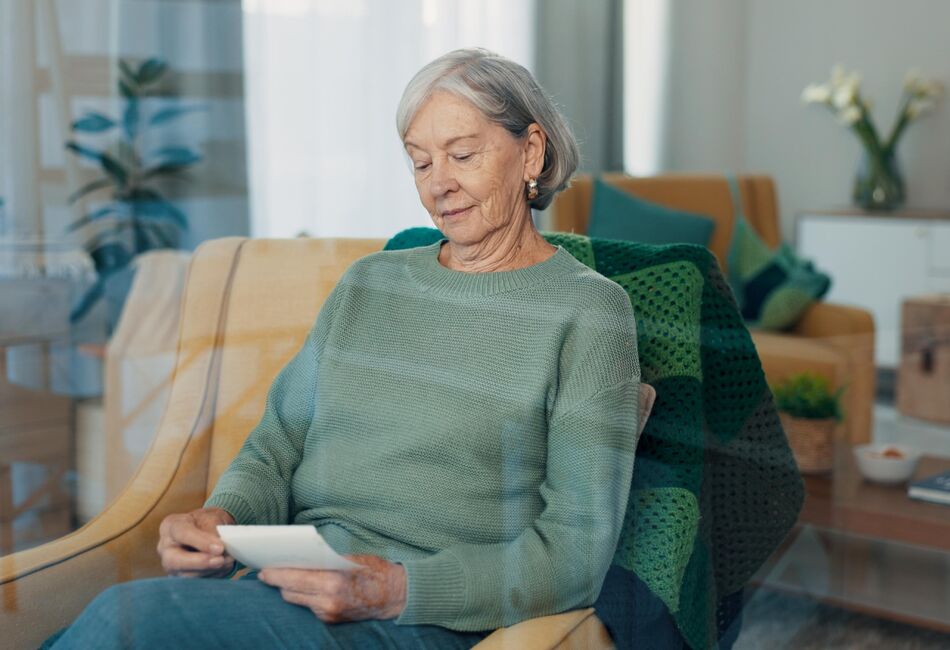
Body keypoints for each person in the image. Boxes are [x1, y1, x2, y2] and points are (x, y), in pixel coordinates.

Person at [52, 48, 677, 649]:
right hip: (292, 586)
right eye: (421, 163)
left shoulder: (587, 311)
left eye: (462, 154)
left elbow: (574, 554)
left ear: (531, 151)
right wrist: (225, 519)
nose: (440, 186)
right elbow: (277, 443)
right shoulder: (369, 283)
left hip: (421, 617)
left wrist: (392, 589)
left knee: (124, 622)